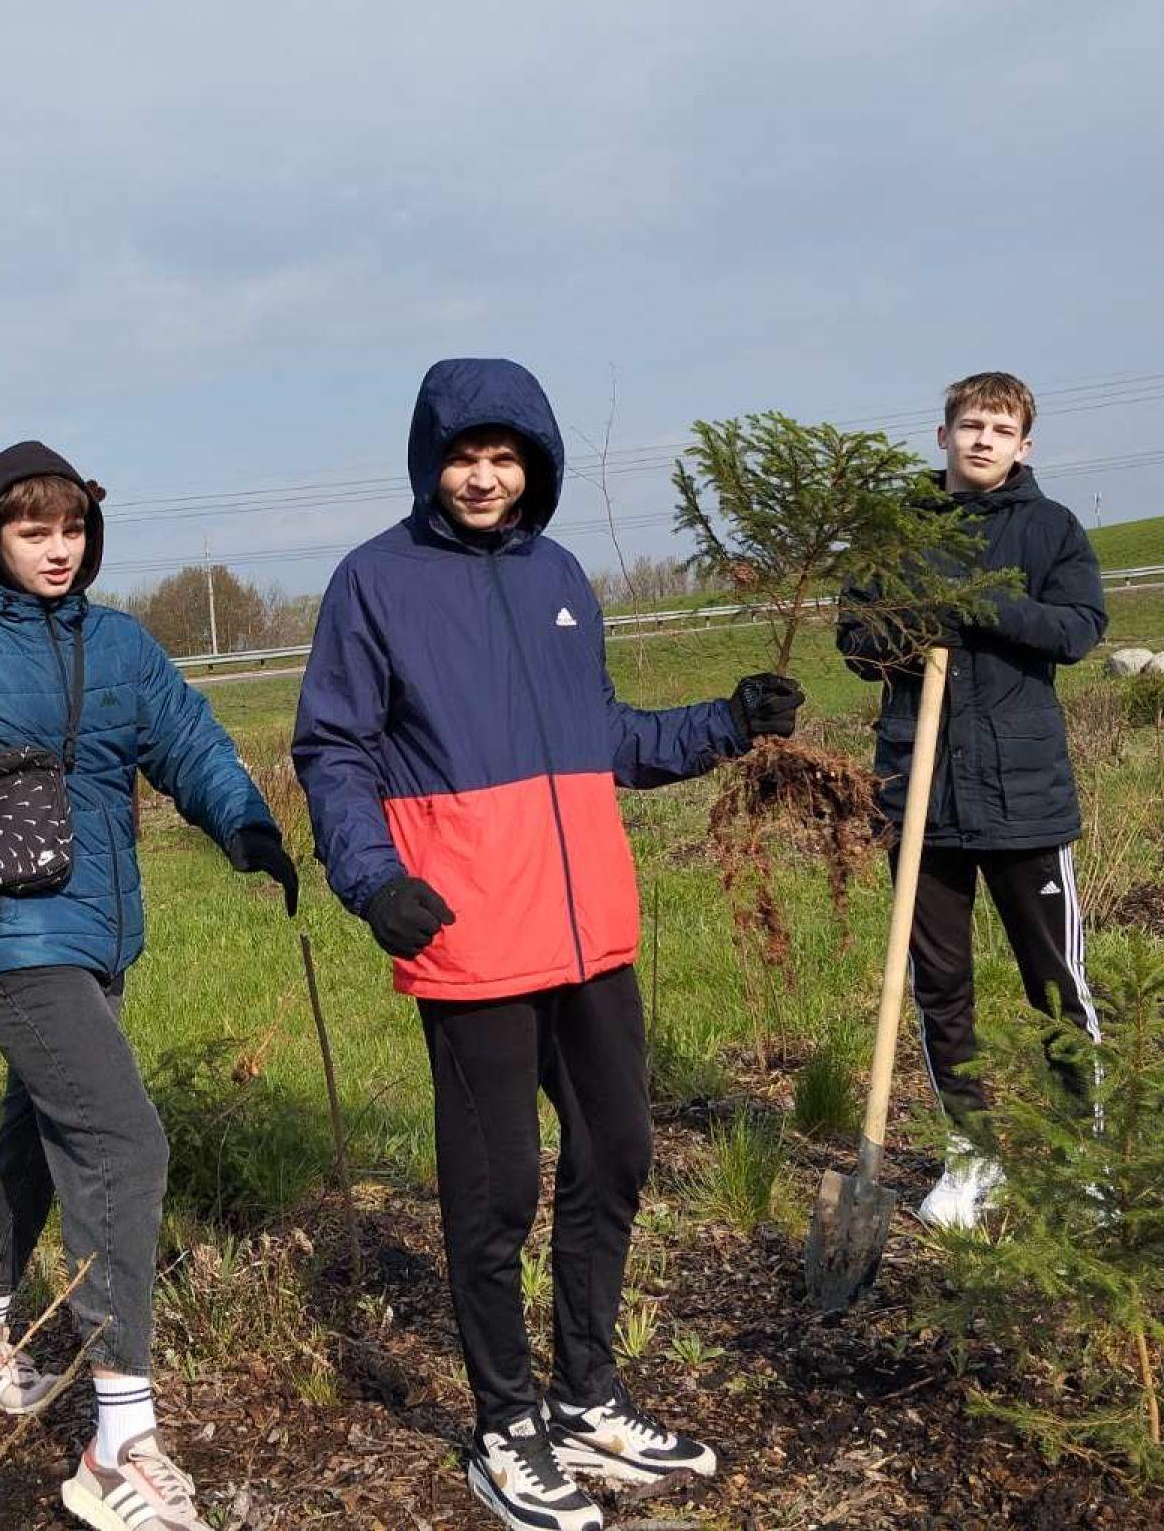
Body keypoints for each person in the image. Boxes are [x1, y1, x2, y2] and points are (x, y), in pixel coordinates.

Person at [293, 359, 803, 1531]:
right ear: (433, 460)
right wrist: (373, 879)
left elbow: (603, 734)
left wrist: (728, 724)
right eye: (465, 454)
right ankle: (502, 1425)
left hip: (590, 933)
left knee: (618, 1151)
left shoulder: (561, 573)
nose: (484, 474)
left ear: (536, 464)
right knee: (495, 1192)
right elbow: (333, 749)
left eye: (506, 454)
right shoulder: (374, 581)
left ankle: (586, 1392)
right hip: (470, 932)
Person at [0, 442, 298, 1531]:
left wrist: (247, 824)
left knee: (41, 1130)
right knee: (125, 1142)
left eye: (73, 527)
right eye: (33, 529)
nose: (57, 548)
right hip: (6, 942)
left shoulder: (119, 644)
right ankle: (116, 1445)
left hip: (95, 937)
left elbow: (188, 740)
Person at [836, 371, 1109, 1231]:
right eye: (969, 424)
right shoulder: (894, 535)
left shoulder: (1051, 529)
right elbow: (854, 638)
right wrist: (917, 627)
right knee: (939, 985)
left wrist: (986, 606)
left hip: (1025, 797)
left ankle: (1084, 1155)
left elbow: (1078, 630)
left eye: (1001, 428)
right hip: (921, 796)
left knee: (1056, 983)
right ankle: (972, 1150)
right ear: (942, 434)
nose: (983, 439)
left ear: (1024, 445)